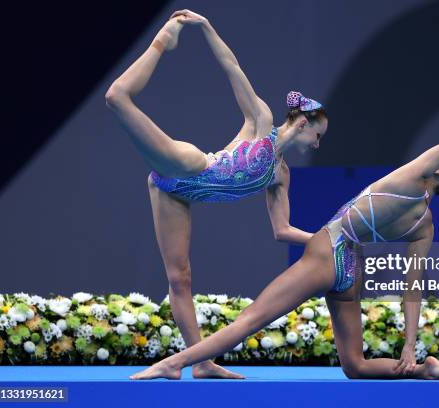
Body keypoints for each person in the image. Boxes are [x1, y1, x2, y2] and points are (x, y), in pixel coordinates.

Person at [128, 87, 439, 380]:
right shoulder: (426, 225)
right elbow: (411, 291)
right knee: (356, 366)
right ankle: (422, 370)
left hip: (329, 250)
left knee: (250, 320)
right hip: (351, 271)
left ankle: (175, 362)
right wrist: (408, 348)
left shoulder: (410, 175)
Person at [105, 9, 327, 378]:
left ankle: (202, 363)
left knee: (180, 277)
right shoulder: (261, 123)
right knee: (117, 97)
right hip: (190, 166)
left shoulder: (280, 175)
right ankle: (164, 38)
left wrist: (323, 236)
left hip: (174, 193)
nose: (317, 145)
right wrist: (206, 27)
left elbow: (282, 231)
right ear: (303, 123)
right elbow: (231, 67)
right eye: (317, 136)